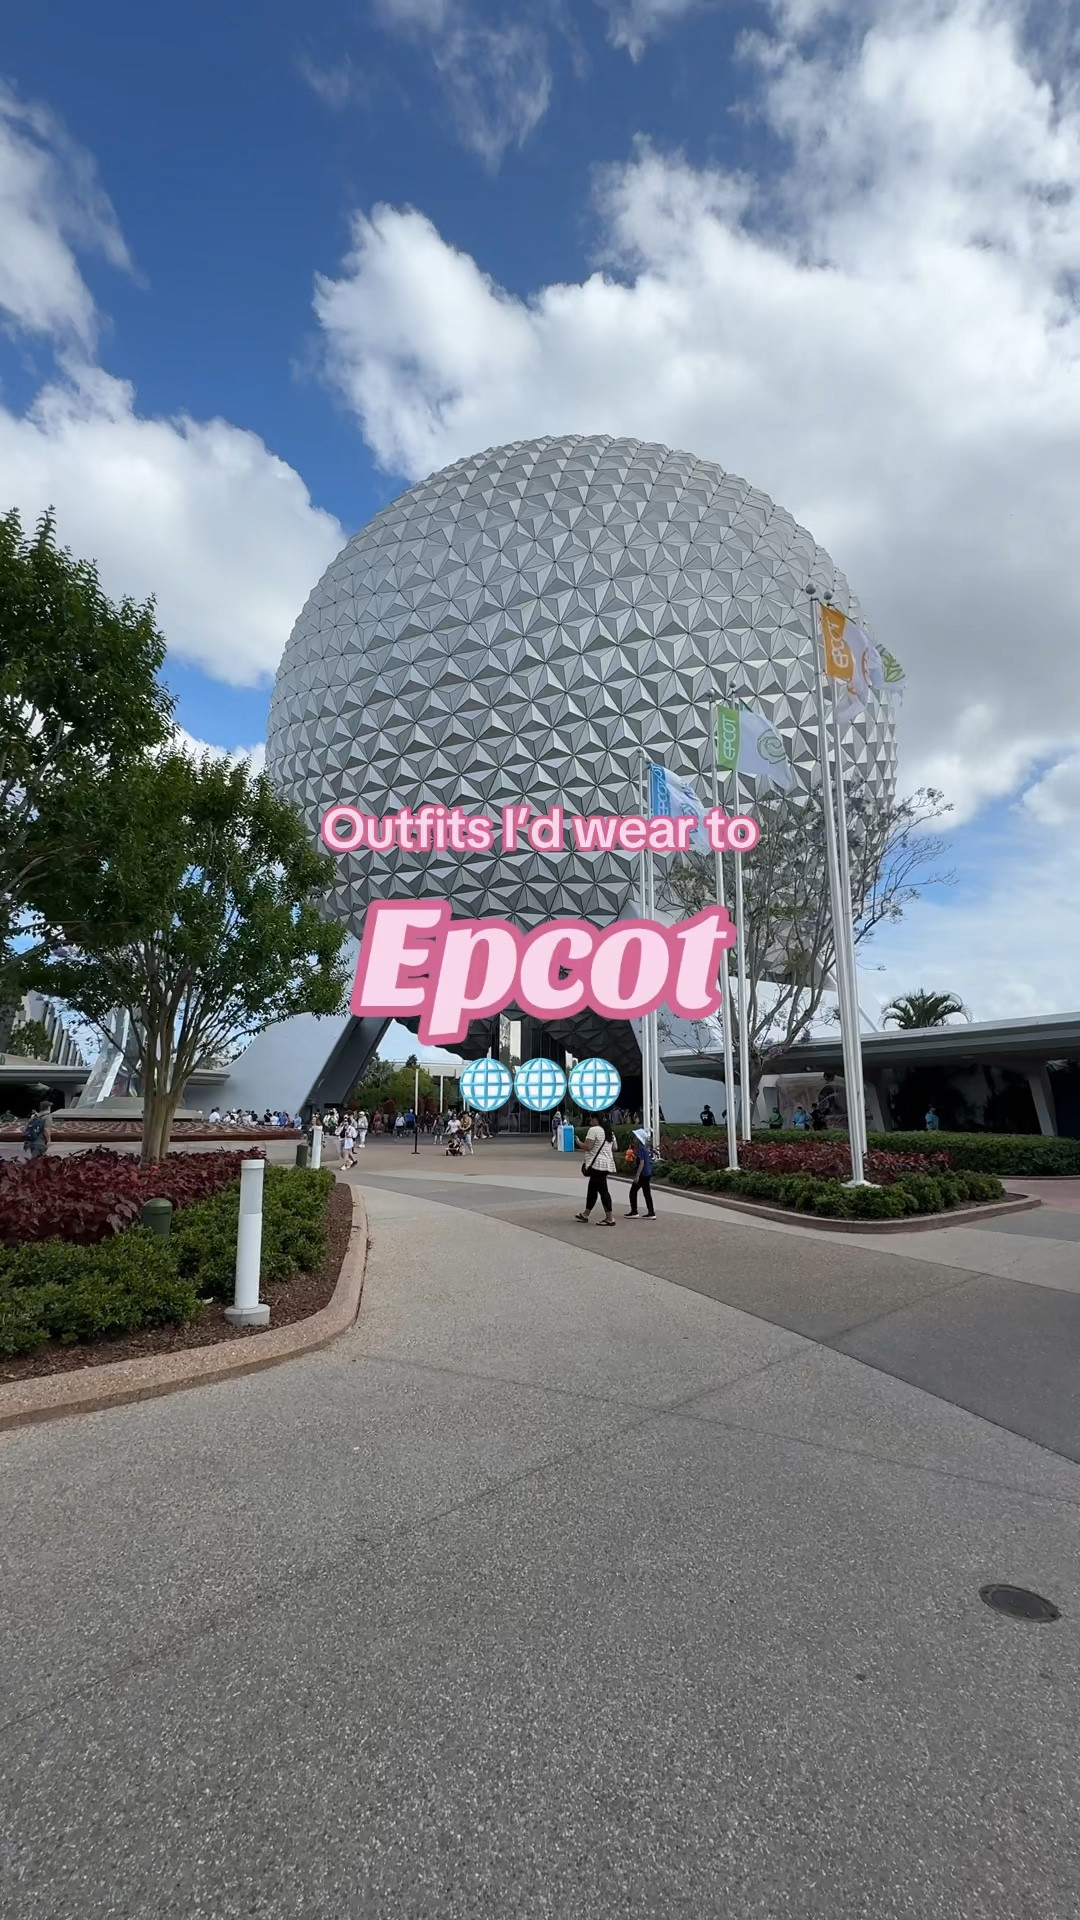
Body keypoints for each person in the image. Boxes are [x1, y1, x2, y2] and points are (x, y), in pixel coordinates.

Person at [576, 1113, 617, 1226]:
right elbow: (615, 1147)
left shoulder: (594, 1130)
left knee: (603, 1191)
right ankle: (585, 1214)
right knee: (592, 1189)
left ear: (596, 1119)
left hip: (597, 1165)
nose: (590, 1121)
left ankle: (610, 1218)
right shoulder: (609, 1131)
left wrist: (578, 1142)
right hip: (607, 1164)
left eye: (591, 1119)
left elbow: (588, 1147)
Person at [626, 1127, 656, 1220]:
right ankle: (651, 1212)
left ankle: (634, 1211)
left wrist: (637, 1176)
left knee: (633, 1192)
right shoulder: (644, 1149)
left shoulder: (641, 1149)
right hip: (647, 1173)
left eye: (635, 1137)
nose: (634, 1139)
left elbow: (641, 1163)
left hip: (643, 1174)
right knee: (647, 1193)